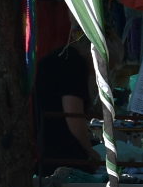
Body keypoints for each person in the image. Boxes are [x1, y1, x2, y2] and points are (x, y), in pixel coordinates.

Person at [36, 29, 99, 170]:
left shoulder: (61, 57)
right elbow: (73, 115)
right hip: (62, 152)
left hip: (46, 144)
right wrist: (89, 151)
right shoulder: (74, 63)